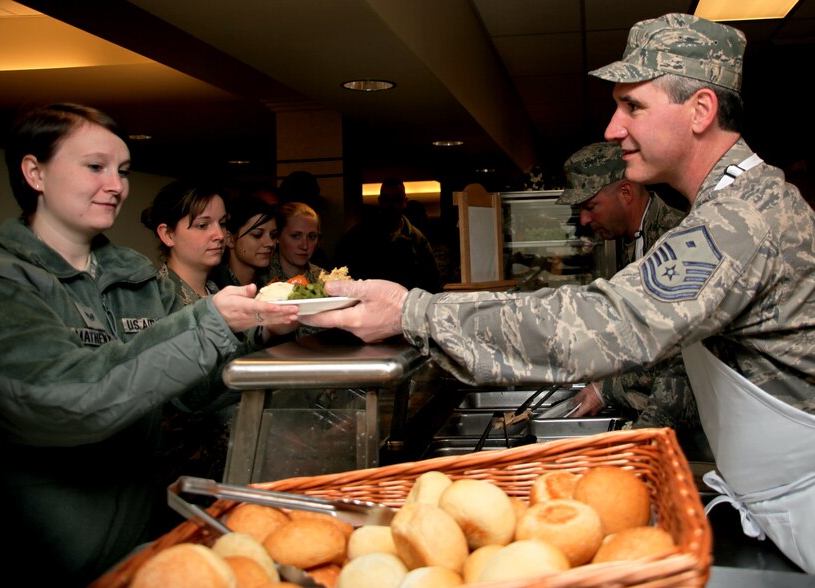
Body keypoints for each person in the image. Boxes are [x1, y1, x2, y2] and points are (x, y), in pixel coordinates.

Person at [302, 14, 815, 573]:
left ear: (700, 111)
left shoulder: (740, 220)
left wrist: (412, 312)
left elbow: (608, 323)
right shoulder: (733, 205)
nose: (614, 127)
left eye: (633, 106)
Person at [0, 103, 299, 585]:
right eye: (94, 167)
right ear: (34, 172)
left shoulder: (137, 278)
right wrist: (210, 322)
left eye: (122, 170)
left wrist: (262, 332)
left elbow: (193, 395)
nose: (117, 185)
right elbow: (67, 402)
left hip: (137, 549)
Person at [555, 142, 698, 451]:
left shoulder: (676, 242)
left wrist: (639, 443)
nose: (583, 221)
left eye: (590, 206)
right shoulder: (632, 239)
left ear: (625, 193)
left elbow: (682, 361)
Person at [139, 179, 238, 493]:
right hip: (188, 470)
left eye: (222, 224)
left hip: (235, 454)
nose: (219, 235)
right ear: (167, 234)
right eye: (203, 225)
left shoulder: (219, 293)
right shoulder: (155, 299)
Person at [334, 177, 441, 292]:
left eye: (396, 199)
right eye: (386, 199)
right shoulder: (358, 236)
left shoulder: (418, 240)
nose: (390, 204)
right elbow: (341, 272)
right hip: (368, 302)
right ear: (380, 201)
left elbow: (432, 282)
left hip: (405, 304)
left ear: (405, 202)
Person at [211, 196, 278, 289]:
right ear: (230, 239)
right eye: (257, 235)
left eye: (273, 236)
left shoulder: (274, 285)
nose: (270, 243)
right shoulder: (214, 290)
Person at [263, 200, 325, 284]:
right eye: (296, 236)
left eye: (311, 237)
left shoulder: (324, 280)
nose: (304, 246)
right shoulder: (260, 279)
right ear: (277, 236)